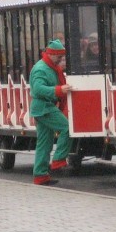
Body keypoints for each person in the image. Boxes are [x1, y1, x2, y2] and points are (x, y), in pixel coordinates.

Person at [29, 39, 73, 185]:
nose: (61, 59)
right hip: (44, 107)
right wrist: (59, 90)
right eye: (59, 57)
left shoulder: (48, 66)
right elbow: (38, 89)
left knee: (44, 143)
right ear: (52, 54)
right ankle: (59, 159)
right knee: (67, 128)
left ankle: (40, 175)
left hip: (42, 108)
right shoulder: (41, 69)